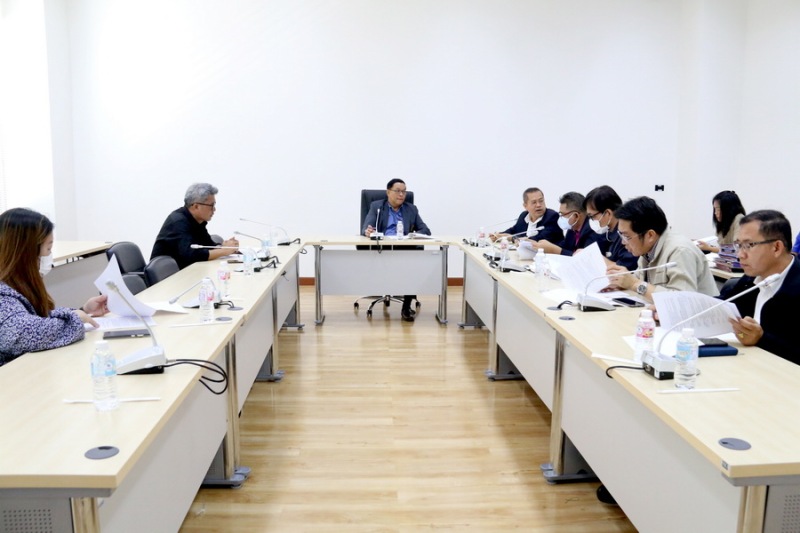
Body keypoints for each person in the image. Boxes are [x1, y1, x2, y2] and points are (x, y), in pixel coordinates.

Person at [0, 208, 109, 366]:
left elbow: (34, 318)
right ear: (26, 253)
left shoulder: (15, 283)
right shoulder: (2, 294)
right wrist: (75, 319)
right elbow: (24, 333)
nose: (48, 257)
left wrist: (84, 311)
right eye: (48, 249)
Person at [721, 210, 799, 365]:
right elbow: (726, 303)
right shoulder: (752, 277)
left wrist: (762, 339)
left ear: (776, 248)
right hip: (749, 365)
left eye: (749, 245)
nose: (740, 255)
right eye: (739, 245)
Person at [606, 196, 718, 302]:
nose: (623, 242)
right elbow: (639, 281)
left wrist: (634, 284)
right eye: (621, 235)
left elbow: (681, 301)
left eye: (627, 236)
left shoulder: (680, 251)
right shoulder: (647, 250)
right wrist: (620, 282)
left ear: (650, 235)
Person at [362, 178, 431, 322]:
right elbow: (366, 227)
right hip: (381, 249)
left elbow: (425, 230)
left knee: (411, 267)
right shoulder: (377, 206)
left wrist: (412, 235)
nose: (401, 194)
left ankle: (406, 307)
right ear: (388, 192)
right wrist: (368, 231)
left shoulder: (411, 209)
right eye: (398, 191)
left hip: (404, 249)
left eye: (404, 192)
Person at [151, 183, 239, 270]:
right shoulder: (178, 222)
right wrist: (224, 250)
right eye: (211, 205)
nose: (214, 209)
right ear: (196, 206)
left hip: (188, 270)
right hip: (167, 275)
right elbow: (191, 255)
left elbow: (208, 246)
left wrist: (224, 247)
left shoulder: (198, 221)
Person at [583, 185, 638, 271]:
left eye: (592, 216)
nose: (592, 220)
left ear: (608, 213)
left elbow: (624, 270)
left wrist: (593, 257)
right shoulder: (606, 233)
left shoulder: (626, 234)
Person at [534, 191, 602, 256]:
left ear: (576, 216)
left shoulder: (592, 230)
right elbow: (565, 246)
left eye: (563, 214)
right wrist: (545, 246)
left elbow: (585, 259)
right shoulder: (572, 229)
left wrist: (556, 250)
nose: (561, 218)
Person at [490, 187, 561, 243]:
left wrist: (512, 238)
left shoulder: (552, 216)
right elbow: (514, 230)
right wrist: (498, 235)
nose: (538, 205)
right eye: (534, 202)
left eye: (541, 201)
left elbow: (539, 239)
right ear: (525, 206)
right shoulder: (524, 216)